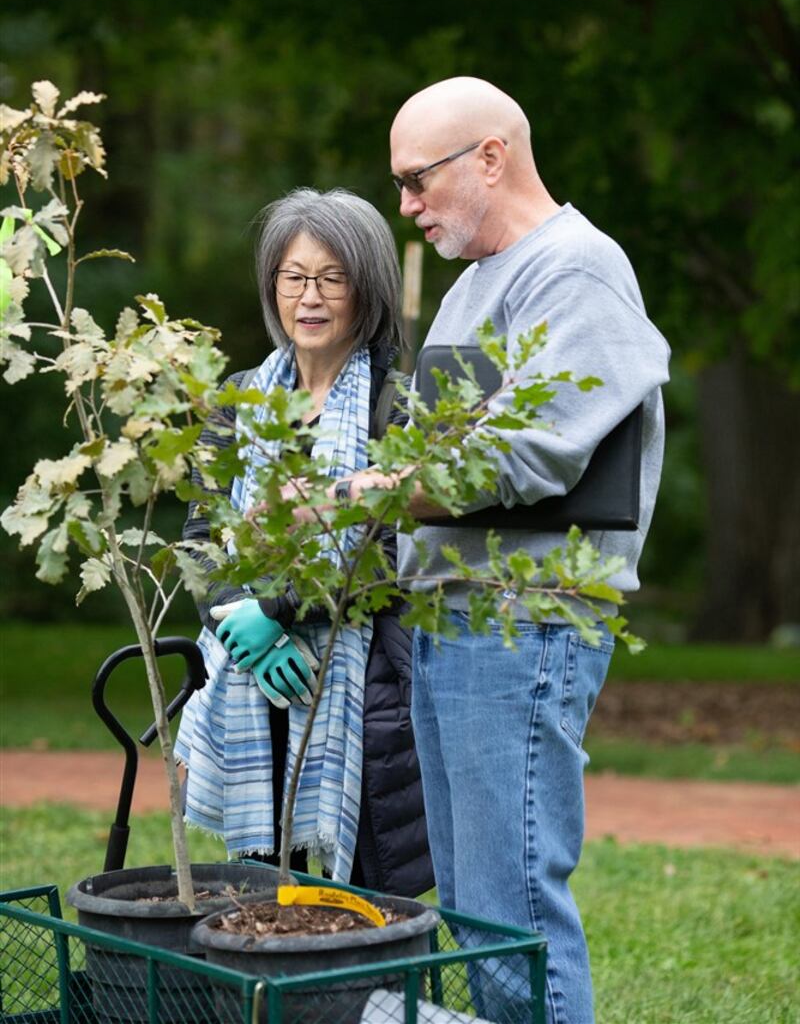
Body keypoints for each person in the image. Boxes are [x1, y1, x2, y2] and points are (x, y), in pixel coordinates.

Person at [346, 78, 670, 1023]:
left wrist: (375, 488)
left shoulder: (573, 270)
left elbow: (533, 449)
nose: (405, 206)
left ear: (490, 156)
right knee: (479, 908)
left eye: (417, 179)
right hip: (458, 624)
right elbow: (438, 448)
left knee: (511, 912)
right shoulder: (482, 280)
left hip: (521, 623)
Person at [175, 187, 432, 895]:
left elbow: (392, 551)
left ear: (366, 288)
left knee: (356, 891)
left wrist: (282, 609)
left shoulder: (396, 405)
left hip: (362, 679)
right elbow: (201, 539)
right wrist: (243, 631)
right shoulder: (239, 400)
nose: (309, 297)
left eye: (331, 278)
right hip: (251, 675)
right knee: (256, 883)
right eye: (293, 277)